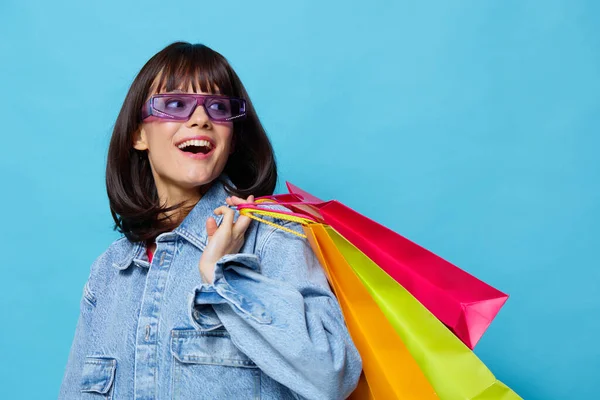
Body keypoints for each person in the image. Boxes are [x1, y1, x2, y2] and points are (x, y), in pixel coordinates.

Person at [58, 41, 362, 399]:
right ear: (138, 135)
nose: (201, 118)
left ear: (232, 140)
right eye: (175, 104)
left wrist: (226, 277)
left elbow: (332, 376)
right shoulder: (109, 272)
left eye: (218, 107)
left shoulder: (271, 237)